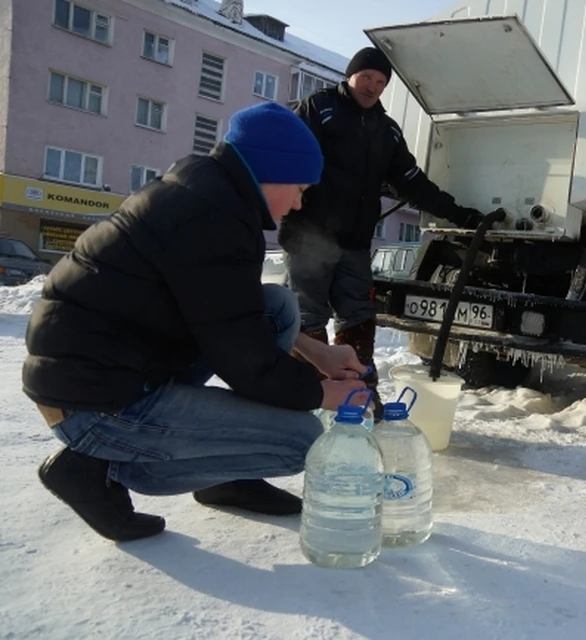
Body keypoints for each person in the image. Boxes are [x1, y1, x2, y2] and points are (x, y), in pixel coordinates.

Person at [23, 102, 370, 543]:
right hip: (96, 402)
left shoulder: (207, 190)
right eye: (299, 187)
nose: (300, 202)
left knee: (276, 307)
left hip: (111, 363)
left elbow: (230, 315)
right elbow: (243, 357)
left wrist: (317, 351)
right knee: (302, 440)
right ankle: (93, 466)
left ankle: (225, 477)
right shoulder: (212, 217)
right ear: (270, 171)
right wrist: (324, 393)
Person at [282, 46, 484, 419]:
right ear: (350, 76)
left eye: (381, 81)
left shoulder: (387, 131)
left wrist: (460, 213)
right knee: (307, 316)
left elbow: (412, 182)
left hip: (355, 242)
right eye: (367, 78)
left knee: (358, 315)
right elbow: (291, 156)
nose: (373, 86)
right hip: (310, 237)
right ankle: (306, 399)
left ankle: (357, 397)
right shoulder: (320, 108)